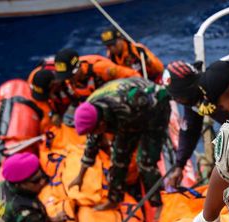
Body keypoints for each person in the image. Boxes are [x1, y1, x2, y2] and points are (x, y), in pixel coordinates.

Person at [70, 78, 171, 211]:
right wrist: (79, 177)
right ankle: (114, 199)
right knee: (118, 158)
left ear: (101, 124)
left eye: (95, 131)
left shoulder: (127, 105)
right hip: (126, 117)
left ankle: (158, 204)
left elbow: (162, 97)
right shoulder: (91, 111)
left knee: (145, 162)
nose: (95, 134)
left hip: (154, 111)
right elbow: (91, 146)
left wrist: (146, 144)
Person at [165, 60, 229, 189]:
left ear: (186, 89)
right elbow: (189, 131)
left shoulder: (212, 89)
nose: (176, 101)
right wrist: (180, 165)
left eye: (177, 97)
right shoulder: (192, 100)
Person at [54, 48, 139, 103]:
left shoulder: (101, 68)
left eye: (70, 76)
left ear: (78, 68)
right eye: (65, 77)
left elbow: (133, 75)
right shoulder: (68, 80)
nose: (68, 80)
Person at [27, 64, 72, 131]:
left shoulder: (69, 80)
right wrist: (51, 113)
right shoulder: (34, 79)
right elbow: (40, 102)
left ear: (54, 85)